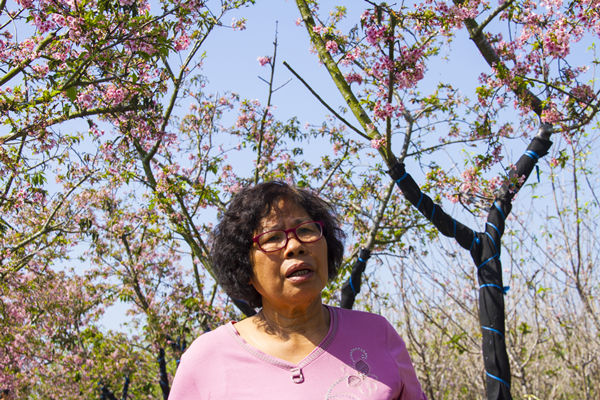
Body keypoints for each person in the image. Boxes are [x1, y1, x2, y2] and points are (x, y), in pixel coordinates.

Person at [169, 181, 427, 399]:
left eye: (305, 230)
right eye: (272, 238)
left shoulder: (377, 334)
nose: (295, 246)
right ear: (243, 267)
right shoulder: (208, 358)